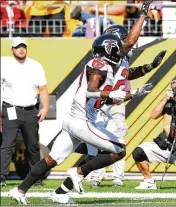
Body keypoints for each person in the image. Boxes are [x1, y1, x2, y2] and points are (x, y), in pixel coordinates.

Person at [8, 0, 154, 204]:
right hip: (83, 120)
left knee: (51, 159)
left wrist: (136, 88)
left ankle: (24, 190)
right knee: (119, 149)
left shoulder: (108, 65)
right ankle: (78, 173)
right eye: (118, 46)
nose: (123, 49)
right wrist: (110, 95)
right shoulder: (99, 64)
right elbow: (92, 92)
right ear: (110, 48)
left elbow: (124, 72)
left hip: (76, 119)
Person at [86, 25, 166, 187]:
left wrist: (149, 66)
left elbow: (128, 73)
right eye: (123, 39)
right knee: (98, 140)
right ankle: (95, 174)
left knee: (118, 139)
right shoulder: (104, 60)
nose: (127, 43)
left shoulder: (120, 59)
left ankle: (116, 176)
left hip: (116, 102)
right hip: (100, 103)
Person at [0, 37, 49, 187]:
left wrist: (45, 107)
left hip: (30, 111)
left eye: (23, 47)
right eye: (18, 47)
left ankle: (35, 178)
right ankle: (1, 178)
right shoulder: (4, 63)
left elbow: (43, 89)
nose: (21, 49)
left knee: (33, 146)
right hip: (10, 109)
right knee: (7, 144)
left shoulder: (35, 65)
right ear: (12, 49)